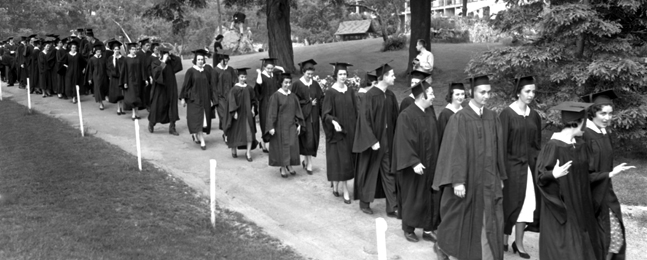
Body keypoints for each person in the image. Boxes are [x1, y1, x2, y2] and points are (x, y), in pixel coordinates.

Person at [432, 75, 507, 260]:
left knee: (488, 218)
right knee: (459, 219)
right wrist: (457, 181)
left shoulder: (492, 117)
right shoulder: (460, 118)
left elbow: (498, 151)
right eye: (482, 92)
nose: (486, 96)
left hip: (488, 179)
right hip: (467, 180)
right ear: (471, 93)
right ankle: (446, 248)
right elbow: (454, 150)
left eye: (489, 92)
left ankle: (485, 255)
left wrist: (499, 176)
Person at [535, 101, 620, 260]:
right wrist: (553, 174)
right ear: (577, 124)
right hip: (565, 206)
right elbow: (540, 177)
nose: (586, 127)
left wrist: (608, 174)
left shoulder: (580, 145)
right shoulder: (554, 146)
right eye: (584, 122)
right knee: (568, 248)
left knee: (584, 245)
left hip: (582, 205)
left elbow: (587, 175)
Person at [580, 90, 635, 260]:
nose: (607, 117)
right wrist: (610, 173)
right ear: (592, 112)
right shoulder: (584, 135)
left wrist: (609, 175)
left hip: (605, 190)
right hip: (591, 195)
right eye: (602, 113)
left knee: (614, 239)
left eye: (610, 113)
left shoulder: (605, 133)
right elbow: (583, 174)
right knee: (605, 239)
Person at [391, 80, 440, 243]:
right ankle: (408, 228)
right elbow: (403, 141)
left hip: (430, 164)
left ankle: (427, 229)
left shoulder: (429, 113)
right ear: (422, 96)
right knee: (413, 196)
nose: (434, 96)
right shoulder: (407, 115)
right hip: (414, 167)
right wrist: (413, 162)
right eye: (431, 93)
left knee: (428, 197)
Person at [499, 76, 542, 259]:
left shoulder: (534, 115)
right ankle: (503, 239)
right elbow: (500, 145)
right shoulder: (507, 114)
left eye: (533, 91)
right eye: (527, 91)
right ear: (518, 92)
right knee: (509, 204)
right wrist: (500, 173)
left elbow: (537, 143)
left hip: (529, 169)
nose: (531, 95)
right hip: (511, 167)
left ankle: (519, 242)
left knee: (526, 205)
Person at [353, 63, 399, 216]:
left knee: (389, 171)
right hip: (374, 141)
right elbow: (364, 120)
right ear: (384, 77)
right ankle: (364, 202)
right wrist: (372, 140)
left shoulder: (391, 96)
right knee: (370, 170)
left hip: (388, 140)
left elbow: (395, 118)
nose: (394, 77)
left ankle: (392, 206)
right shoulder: (370, 95)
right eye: (392, 75)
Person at [322, 62, 357, 204]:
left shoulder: (350, 91)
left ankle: (336, 186)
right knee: (342, 161)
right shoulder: (330, 92)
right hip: (338, 133)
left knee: (348, 160)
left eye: (344, 74)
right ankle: (345, 191)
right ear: (335, 76)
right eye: (340, 74)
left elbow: (356, 111)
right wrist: (334, 122)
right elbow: (325, 114)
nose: (343, 76)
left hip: (350, 132)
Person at [265, 73, 305, 177]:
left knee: (292, 146)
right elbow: (271, 113)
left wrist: (299, 124)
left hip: (291, 125)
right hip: (280, 126)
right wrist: (271, 126)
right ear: (281, 83)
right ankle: (283, 167)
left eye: (289, 82)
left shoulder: (293, 96)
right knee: (281, 146)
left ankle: (289, 165)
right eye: (285, 82)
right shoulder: (276, 96)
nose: (287, 85)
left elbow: (297, 111)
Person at [291, 59, 324, 175]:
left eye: (312, 74)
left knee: (312, 139)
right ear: (303, 72)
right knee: (307, 140)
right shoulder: (297, 85)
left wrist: (322, 113)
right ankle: (309, 164)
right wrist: (308, 103)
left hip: (314, 117)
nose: (310, 76)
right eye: (308, 74)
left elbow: (321, 98)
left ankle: (306, 160)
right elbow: (294, 102)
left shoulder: (315, 84)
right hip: (303, 117)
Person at [180, 49, 214, 150]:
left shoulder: (206, 71)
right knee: (197, 118)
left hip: (205, 99)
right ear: (195, 60)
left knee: (204, 119)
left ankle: (196, 135)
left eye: (202, 59)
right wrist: (183, 98)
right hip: (194, 99)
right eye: (198, 59)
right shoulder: (190, 71)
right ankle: (202, 140)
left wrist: (211, 99)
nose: (200, 61)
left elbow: (210, 85)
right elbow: (186, 85)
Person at [148, 45, 183, 135]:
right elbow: (156, 74)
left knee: (172, 106)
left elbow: (178, 64)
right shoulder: (155, 62)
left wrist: (172, 55)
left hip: (171, 87)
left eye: (167, 54)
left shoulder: (170, 63)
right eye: (165, 53)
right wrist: (163, 61)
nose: (167, 56)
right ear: (161, 54)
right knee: (157, 107)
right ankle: (152, 123)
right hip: (160, 88)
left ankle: (172, 127)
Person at [225, 67, 258, 161]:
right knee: (235, 132)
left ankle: (248, 152)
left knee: (249, 133)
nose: (243, 79)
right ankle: (233, 148)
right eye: (242, 77)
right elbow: (231, 102)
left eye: (245, 77)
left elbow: (253, 100)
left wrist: (253, 108)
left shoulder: (249, 88)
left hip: (247, 114)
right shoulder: (234, 89)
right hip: (237, 114)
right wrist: (234, 112)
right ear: (238, 77)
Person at [255, 58, 285, 152]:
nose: (270, 70)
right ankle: (266, 143)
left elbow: (283, 75)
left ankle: (265, 144)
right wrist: (259, 73)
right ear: (264, 67)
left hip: (275, 103)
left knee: (274, 121)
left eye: (272, 68)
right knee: (265, 122)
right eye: (268, 68)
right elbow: (258, 85)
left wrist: (279, 67)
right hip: (265, 103)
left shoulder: (275, 76)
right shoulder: (261, 77)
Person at [120, 42, 148, 120]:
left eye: (135, 49)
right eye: (132, 49)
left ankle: (137, 112)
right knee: (133, 97)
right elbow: (124, 71)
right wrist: (125, 82)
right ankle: (133, 113)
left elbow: (142, 69)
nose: (134, 50)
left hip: (138, 81)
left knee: (138, 96)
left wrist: (145, 79)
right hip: (130, 81)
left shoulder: (138, 58)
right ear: (129, 50)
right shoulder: (126, 59)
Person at [212, 53, 237, 131]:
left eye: (227, 60)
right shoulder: (215, 70)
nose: (226, 62)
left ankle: (226, 133)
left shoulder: (230, 69)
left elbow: (235, 82)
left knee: (230, 115)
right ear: (220, 60)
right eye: (224, 61)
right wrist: (215, 100)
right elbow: (213, 86)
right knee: (224, 116)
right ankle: (226, 135)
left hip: (230, 97)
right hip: (220, 98)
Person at [85, 42, 109, 110]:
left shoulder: (104, 58)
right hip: (96, 76)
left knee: (104, 87)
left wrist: (109, 75)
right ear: (95, 51)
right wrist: (89, 78)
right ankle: (100, 103)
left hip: (104, 76)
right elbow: (90, 69)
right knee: (98, 89)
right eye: (97, 51)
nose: (99, 52)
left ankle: (106, 96)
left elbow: (107, 67)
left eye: (100, 51)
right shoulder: (92, 59)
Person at [63, 39, 86, 103]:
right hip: (69, 72)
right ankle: (73, 96)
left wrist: (84, 68)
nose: (74, 48)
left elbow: (84, 62)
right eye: (73, 47)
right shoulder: (67, 54)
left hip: (77, 72)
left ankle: (75, 97)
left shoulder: (78, 55)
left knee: (76, 84)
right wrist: (66, 66)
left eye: (75, 47)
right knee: (70, 84)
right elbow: (63, 62)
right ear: (70, 48)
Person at [106, 40, 125, 115]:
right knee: (117, 94)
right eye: (115, 49)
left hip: (121, 78)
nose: (117, 50)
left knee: (122, 93)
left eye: (118, 49)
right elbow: (108, 68)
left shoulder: (122, 58)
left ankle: (122, 108)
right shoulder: (111, 58)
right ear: (113, 50)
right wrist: (110, 76)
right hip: (114, 78)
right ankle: (118, 108)